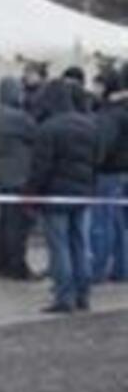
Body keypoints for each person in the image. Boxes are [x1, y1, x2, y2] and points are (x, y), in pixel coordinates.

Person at [31, 80, 98, 314]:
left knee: (59, 247)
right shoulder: (90, 125)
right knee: (80, 244)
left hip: (56, 196)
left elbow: (40, 168)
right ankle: (84, 295)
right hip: (83, 194)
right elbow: (96, 160)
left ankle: (64, 297)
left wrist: (32, 194)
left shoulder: (48, 129)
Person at [0, 77, 40, 281]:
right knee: (18, 226)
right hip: (19, 177)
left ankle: (2, 263)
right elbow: (37, 132)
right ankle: (17, 266)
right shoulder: (16, 117)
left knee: (4, 223)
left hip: (4, 177)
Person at [88, 70, 128, 283]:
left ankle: (97, 269)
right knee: (120, 223)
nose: (94, 89)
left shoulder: (110, 114)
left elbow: (102, 146)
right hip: (123, 171)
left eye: (97, 85)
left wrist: (94, 164)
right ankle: (122, 268)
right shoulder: (122, 110)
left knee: (102, 222)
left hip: (109, 173)